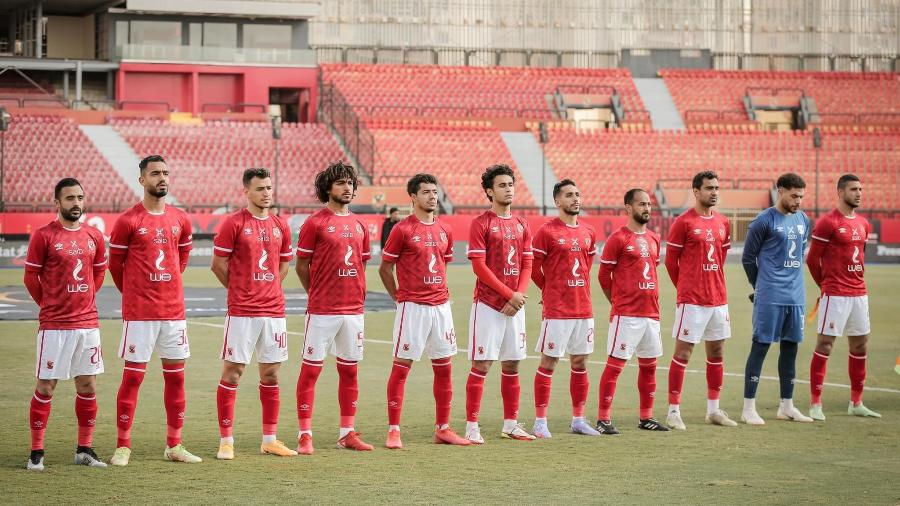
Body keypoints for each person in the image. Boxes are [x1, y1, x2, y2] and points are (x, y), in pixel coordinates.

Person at [108, 155, 201, 465]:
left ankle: (174, 445)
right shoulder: (128, 220)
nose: (162, 178)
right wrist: (135, 293)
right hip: (140, 314)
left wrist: (169, 282)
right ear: (142, 180)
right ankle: (123, 445)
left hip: (173, 313)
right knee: (133, 378)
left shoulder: (180, 219)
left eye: (165, 173)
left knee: (176, 379)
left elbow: (183, 256)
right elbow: (115, 266)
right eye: (155, 174)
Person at [212, 168, 298, 460]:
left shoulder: (280, 225)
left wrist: (270, 288)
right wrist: (240, 290)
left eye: (269, 188)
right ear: (246, 191)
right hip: (242, 312)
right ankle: (226, 440)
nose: (266, 193)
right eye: (260, 188)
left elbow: (284, 265)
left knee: (271, 374)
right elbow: (218, 264)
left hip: (273, 311)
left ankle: (270, 440)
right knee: (233, 373)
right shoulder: (234, 223)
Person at [379, 173, 471, 448]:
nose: (433, 196)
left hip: (441, 307)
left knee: (444, 367)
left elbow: (442, 264)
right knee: (402, 366)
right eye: (427, 192)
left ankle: (443, 428)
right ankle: (394, 430)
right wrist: (399, 297)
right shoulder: (402, 229)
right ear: (414, 197)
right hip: (413, 307)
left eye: (435, 191)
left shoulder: (445, 230)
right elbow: (385, 268)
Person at [24, 178, 108, 470]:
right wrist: (49, 306)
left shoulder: (94, 236)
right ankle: (36, 452)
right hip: (54, 326)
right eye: (70, 198)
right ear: (57, 203)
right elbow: (30, 279)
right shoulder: (43, 236)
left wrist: (84, 302)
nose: (76, 203)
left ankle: (84, 449)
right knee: (46, 387)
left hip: (87, 325)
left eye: (80, 197)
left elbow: (98, 276)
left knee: (87, 385)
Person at [295, 161, 374, 454]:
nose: (348, 188)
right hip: (323, 310)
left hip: (353, 310)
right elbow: (302, 265)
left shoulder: (360, 224)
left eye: (351, 183)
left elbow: (362, 264)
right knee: (311, 371)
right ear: (328, 188)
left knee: (350, 371)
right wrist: (315, 292)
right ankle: (305, 433)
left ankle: (347, 433)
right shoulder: (315, 223)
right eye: (341, 183)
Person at [464, 164, 535, 443]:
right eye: (502, 185)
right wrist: (509, 294)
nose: (508, 189)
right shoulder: (481, 223)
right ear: (489, 192)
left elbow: (527, 263)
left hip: (514, 305)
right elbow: (479, 266)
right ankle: (472, 425)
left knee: (513, 364)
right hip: (488, 305)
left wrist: (518, 296)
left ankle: (511, 423)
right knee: (482, 364)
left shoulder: (522, 224)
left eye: (511, 185)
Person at [664, 171, 737, 430]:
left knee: (716, 352)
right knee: (683, 352)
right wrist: (685, 287)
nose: (714, 192)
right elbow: (671, 262)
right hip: (692, 300)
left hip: (718, 299)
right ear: (696, 192)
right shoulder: (683, 223)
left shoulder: (723, 222)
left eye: (717, 188)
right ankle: (673, 411)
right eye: (709, 188)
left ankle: (714, 410)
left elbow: (721, 257)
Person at [530, 179, 600, 438]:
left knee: (580, 362)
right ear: (557, 201)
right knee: (549, 362)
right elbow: (534, 268)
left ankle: (579, 420)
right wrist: (548, 290)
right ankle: (540, 421)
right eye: (569, 195)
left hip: (584, 307)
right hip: (558, 309)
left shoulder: (589, 232)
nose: (575, 199)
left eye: (578, 194)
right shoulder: (546, 232)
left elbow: (587, 264)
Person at [741, 172, 813, 425]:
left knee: (791, 348)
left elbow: (800, 253)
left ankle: (787, 405)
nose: (798, 201)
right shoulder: (764, 221)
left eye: (801, 196)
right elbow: (748, 258)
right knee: (760, 346)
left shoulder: (804, 220)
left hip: (796, 296)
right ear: (780, 191)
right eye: (794, 195)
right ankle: (748, 407)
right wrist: (759, 286)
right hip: (770, 295)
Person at [806, 174, 880, 420]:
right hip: (835, 294)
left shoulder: (863, 223)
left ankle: (856, 403)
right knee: (825, 345)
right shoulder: (827, 222)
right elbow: (812, 259)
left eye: (860, 189)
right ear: (840, 192)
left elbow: (860, 255)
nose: (858, 193)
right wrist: (825, 285)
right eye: (853, 189)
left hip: (859, 293)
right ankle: (816, 404)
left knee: (860, 345)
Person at [595, 189, 669, 434]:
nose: (647, 208)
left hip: (652, 313)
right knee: (615, 366)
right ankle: (603, 419)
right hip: (627, 314)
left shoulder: (654, 238)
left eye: (649, 204)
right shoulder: (618, 239)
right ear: (628, 208)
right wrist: (616, 303)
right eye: (641, 204)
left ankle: (646, 417)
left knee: (649, 366)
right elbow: (604, 276)